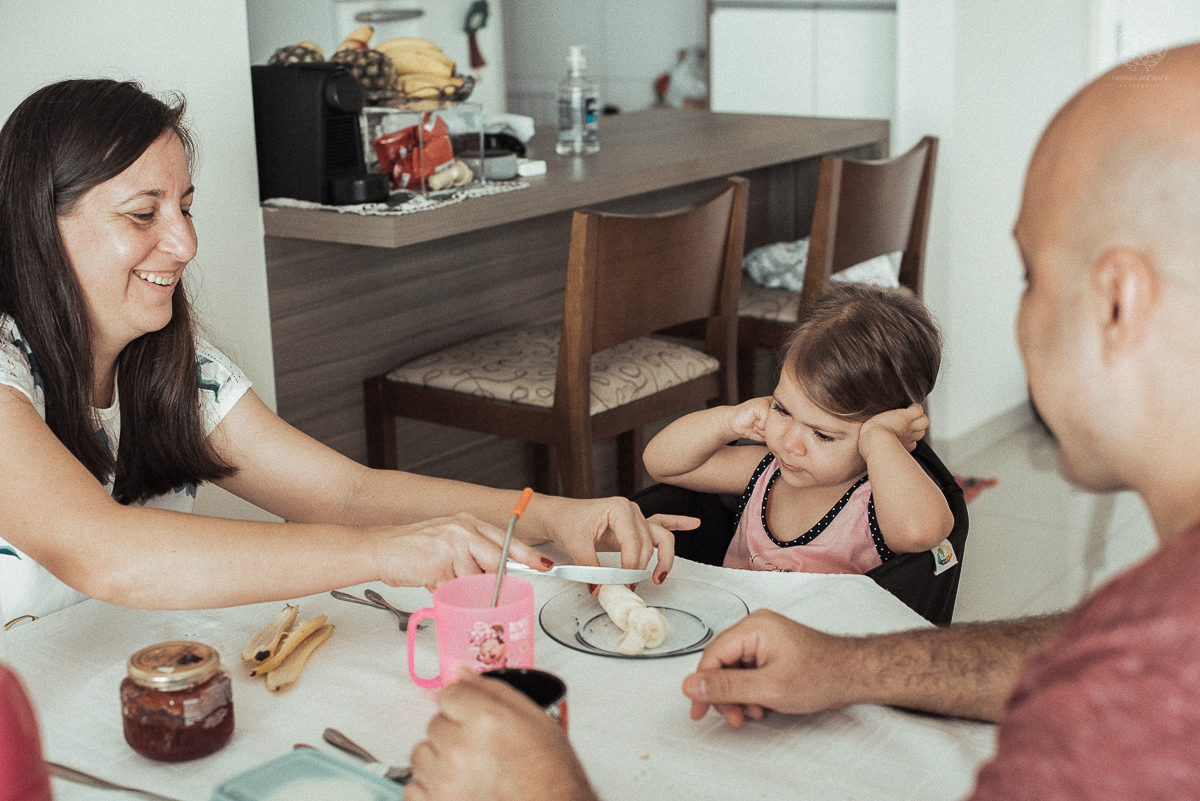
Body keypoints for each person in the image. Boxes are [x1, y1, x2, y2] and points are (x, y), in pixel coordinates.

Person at [405, 42, 1200, 801]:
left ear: (1117, 303)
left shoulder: (1126, 718)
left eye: (1030, 274)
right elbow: (1094, 650)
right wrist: (849, 664)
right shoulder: (1153, 623)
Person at [0, 78, 691, 624]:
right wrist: (387, 552)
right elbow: (106, 555)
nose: (185, 243)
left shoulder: (167, 360)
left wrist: (550, 515)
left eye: (186, 206)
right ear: (37, 224)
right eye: (144, 213)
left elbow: (343, 491)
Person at [642, 283, 952, 575]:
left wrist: (882, 438)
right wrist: (727, 421)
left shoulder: (877, 500)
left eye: (823, 434)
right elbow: (662, 465)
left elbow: (919, 535)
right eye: (782, 409)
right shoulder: (767, 470)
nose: (790, 443)